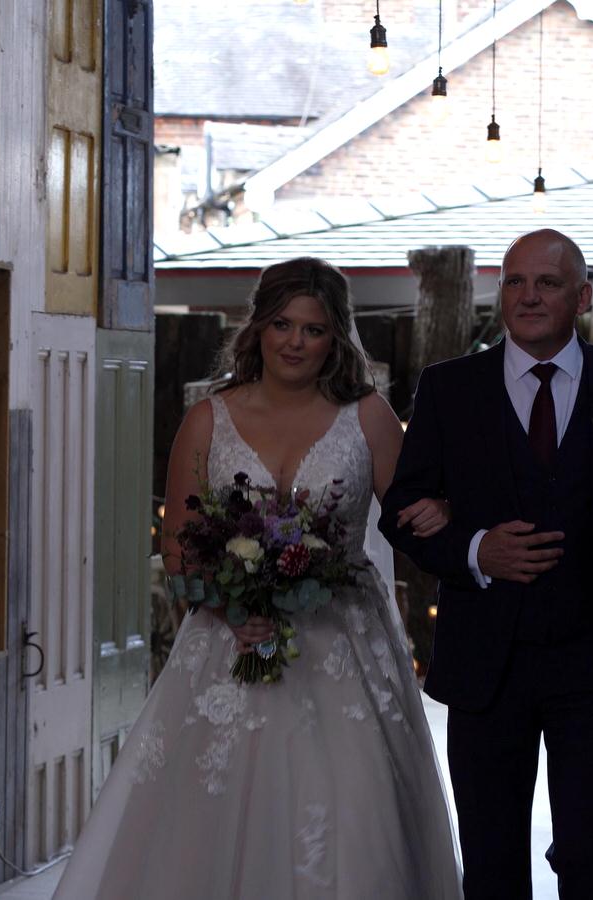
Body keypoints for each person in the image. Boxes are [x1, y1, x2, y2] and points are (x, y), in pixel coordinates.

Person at [54, 257, 463, 898]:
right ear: (258, 327)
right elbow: (180, 546)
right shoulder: (207, 420)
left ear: (336, 338)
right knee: (206, 820)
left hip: (342, 645)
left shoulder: (369, 418)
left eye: (314, 329)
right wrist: (233, 610)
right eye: (282, 324)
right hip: (227, 639)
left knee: (350, 807)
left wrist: (445, 513)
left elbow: (413, 520)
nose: (295, 342)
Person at [380, 229, 593, 900]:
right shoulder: (450, 389)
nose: (528, 295)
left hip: (592, 658)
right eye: (514, 281)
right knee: (492, 855)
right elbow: (403, 509)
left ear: (583, 295)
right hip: (484, 662)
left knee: (589, 850)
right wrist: (475, 549)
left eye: (548, 282)